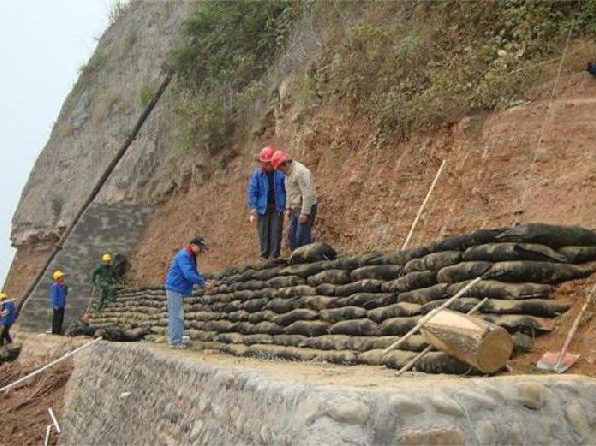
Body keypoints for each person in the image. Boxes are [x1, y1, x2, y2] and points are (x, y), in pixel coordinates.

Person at [164, 236, 214, 348]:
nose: (201, 250)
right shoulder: (184, 256)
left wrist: (203, 280)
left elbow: (193, 272)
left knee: (176, 314)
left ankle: (175, 338)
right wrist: (203, 283)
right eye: (200, 247)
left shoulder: (191, 256)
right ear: (193, 245)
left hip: (177, 288)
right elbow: (188, 274)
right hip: (174, 288)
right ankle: (175, 342)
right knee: (177, 315)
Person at [271, 150, 318, 250]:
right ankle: (297, 262)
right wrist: (288, 208)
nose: (280, 171)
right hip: (295, 209)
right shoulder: (287, 175)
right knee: (293, 240)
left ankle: (306, 263)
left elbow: (308, 193)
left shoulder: (300, 172)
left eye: (280, 169)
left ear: (284, 164)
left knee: (302, 239)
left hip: (306, 207)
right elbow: (289, 192)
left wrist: (305, 213)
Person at [247, 146, 286, 260]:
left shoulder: (280, 174)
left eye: (269, 163)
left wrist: (287, 205)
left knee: (276, 232)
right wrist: (253, 208)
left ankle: (274, 256)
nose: (267, 165)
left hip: (277, 207)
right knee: (264, 233)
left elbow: (286, 189)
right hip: (262, 207)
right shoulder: (257, 175)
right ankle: (264, 256)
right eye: (265, 163)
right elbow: (253, 191)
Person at [50, 271, 68, 335]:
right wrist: (55, 304)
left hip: (62, 305)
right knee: (56, 319)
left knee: (61, 319)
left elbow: (65, 294)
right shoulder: (55, 286)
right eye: (61, 277)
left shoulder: (62, 286)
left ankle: (59, 331)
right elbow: (54, 296)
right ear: (57, 279)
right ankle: (55, 332)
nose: (63, 278)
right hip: (57, 306)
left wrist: (65, 288)